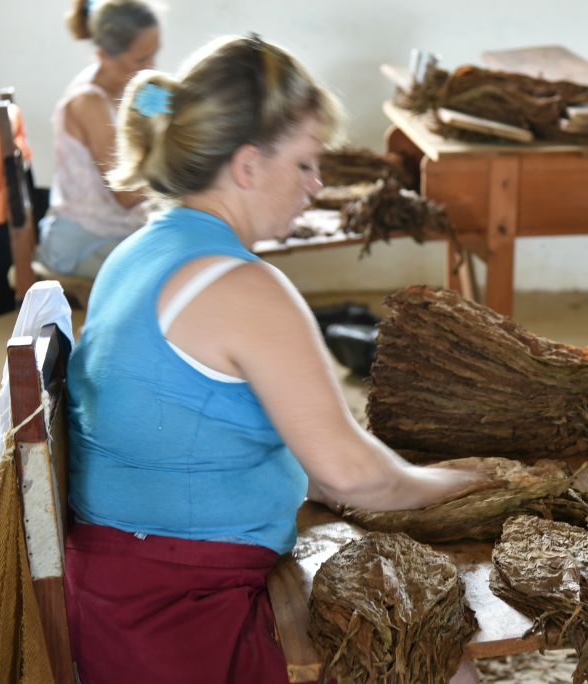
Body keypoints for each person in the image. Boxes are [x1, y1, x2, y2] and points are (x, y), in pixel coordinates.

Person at [64, 35, 484, 683]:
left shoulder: (145, 247)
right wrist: (461, 486)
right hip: (179, 608)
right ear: (248, 164)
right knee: (440, 650)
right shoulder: (239, 286)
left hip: (116, 577)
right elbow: (350, 476)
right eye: (307, 165)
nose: (316, 187)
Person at [35, 0, 159, 279]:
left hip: (119, 232)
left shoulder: (125, 87)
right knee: (172, 272)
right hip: (82, 244)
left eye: (154, 54)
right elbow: (127, 194)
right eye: (141, 60)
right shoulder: (88, 102)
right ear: (104, 56)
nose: (152, 67)